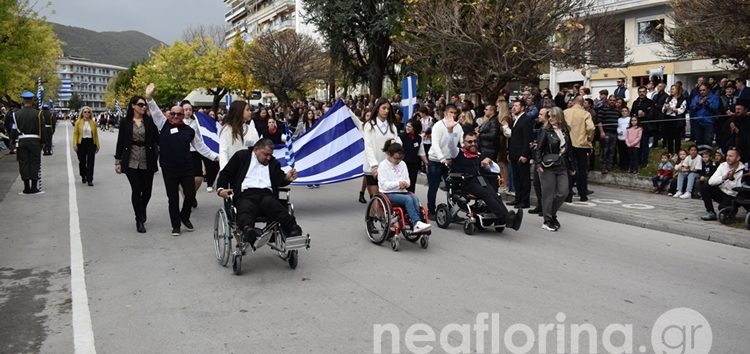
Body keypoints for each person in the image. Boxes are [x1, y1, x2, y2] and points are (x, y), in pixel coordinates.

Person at [145, 84, 219, 236]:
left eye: (179, 114)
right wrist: (149, 97)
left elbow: (201, 147)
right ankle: (176, 225)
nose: (176, 116)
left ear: (183, 115)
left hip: (186, 167)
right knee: (172, 199)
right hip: (169, 168)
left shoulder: (189, 131)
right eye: (174, 114)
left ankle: (184, 217)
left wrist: (215, 157)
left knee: (190, 195)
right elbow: (154, 109)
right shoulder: (163, 124)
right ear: (169, 114)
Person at [216, 139, 303, 249]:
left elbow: (279, 179)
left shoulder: (273, 163)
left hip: (266, 195)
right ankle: (249, 231)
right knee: (246, 208)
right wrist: (220, 190)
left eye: (270, 155)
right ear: (256, 149)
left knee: (276, 207)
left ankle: (294, 229)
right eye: (266, 154)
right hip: (246, 194)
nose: (268, 158)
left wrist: (286, 178)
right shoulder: (241, 157)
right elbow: (225, 174)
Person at [447, 131, 523, 231]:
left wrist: (490, 162)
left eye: (475, 141)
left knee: (494, 194)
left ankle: (509, 220)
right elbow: (451, 145)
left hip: (481, 180)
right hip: (466, 182)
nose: (473, 144)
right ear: (463, 143)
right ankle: (505, 218)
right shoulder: (458, 153)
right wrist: (451, 131)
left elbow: (496, 170)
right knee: (486, 194)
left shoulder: (479, 155)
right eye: (469, 142)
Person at [114, 95, 160, 233]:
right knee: (136, 189)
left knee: (147, 191)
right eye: (140, 105)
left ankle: (142, 208)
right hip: (131, 159)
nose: (143, 107)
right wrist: (118, 161)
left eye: (144, 105)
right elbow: (120, 142)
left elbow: (157, 139)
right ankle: (139, 219)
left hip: (147, 159)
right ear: (133, 106)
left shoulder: (149, 121)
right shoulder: (125, 122)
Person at [534, 107, 575, 231]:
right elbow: (538, 149)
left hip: (562, 166)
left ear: (559, 117)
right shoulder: (545, 131)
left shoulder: (565, 130)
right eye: (549, 116)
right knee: (548, 195)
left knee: (564, 192)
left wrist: (572, 167)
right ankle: (547, 221)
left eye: (553, 116)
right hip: (547, 167)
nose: (550, 119)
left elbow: (569, 150)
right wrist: (538, 164)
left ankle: (550, 214)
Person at [377, 140, 431, 233]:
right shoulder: (383, 166)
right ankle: (416, 223)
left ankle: (417, 222)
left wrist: (405, 184)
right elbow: (384, 185)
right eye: (396, 158)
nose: (398, 161)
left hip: (402, 191)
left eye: (400, 159)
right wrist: (398, 184)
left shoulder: (403, 164)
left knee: (414, 198)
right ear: (389, 155)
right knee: (408, 199)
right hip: (388, 193)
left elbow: (408, 180)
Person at [426, 104, 463, 218]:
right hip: (436, 160)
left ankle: (453, 211)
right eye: (451, 112)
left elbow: (461, 142)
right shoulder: (438, 126)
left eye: (455, 113)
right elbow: (435, 144)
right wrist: (442, 159)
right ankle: (431, 211)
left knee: (452, 188)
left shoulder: (458, 127)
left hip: (450, 161)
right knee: (434, 186)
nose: (453, 115)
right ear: (446, 113)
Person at [362, 98, 402, 198]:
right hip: (372, 167)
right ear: (377, 109)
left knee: (385, 198)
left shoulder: (392, 126)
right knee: (375, 197)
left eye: (388, 109)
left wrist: (396, 142)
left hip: (387, 167)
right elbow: (368, 146)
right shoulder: (369, 125)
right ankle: (373, 214)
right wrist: (374, 166)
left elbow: (398, 142)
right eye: (383, 108)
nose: (386, 111)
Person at [13, 91, 46, 194]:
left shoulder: (16, 114)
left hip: (21, 141)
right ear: (32, 101)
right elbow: (42, 129)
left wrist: (13, 142)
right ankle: (34, 187)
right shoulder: (38, 113)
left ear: (23, 101)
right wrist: (43, 142)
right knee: (35, 163)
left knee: (24, 163)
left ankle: (26, 187)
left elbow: (14, 130)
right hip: (35, 141)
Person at [700, 148, 745, 221]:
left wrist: (731, 178)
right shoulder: (723, 165)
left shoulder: (743, 170)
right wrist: (724, 177)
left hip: (733, 196)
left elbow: (737, 190)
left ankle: (731, 209)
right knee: (705, 186)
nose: (727, 158)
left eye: (731, 156)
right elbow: (711, 181)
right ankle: (710, 212)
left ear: (738, 158)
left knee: (722, 208)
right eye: (727, 155)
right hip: (721, 191)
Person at [564, 96, 595, 201]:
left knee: (569, 169)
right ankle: (582, 194)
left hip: (568, 144)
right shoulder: (586, 114)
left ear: (573, 102)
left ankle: (568, 195)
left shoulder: (565, 112)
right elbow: (591, 128)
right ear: (582, 103)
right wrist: (589, 139)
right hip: (581, 144)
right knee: (582, 170)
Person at [508, 99, 534, 208]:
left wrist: (524, 154)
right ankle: (518, 198)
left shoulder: (526, 119)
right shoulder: (516, 119)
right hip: (514, 153)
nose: (514, 107)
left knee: (524, 178)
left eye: (517, 106)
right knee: (516, 178)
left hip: (521, 154)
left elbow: (527, 138)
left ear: (522, 108)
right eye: (513, 105)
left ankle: (524, 201)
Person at [219, 100, 259, 171]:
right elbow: (223, 152)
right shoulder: (227, 129)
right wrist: (225, 171)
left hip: (248, 171)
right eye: (247, 110)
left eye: (250, 110)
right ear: (239, 111)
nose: (250, 112)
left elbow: (257, 150)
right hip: (232, 171)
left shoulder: (252, 129)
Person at [398, 119, 428, 193]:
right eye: (407, 126)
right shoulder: (401, 137)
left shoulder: (419, 138)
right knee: (402, 183)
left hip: (414, 165)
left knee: (411, 183)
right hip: (402, 164)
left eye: (409, 127)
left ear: (415, 128)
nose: (407, 128)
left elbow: (421, 152)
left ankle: (411, 199)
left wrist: (427, 163)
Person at [73, 106, 100, 186]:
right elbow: (75, 134)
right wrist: (75, 144)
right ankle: (83, 175)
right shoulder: (78, 122)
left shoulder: (93, 123)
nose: (87, 113)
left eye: (88, 112)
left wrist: (97, 145)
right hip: (81, 143)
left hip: (91, 143)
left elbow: (95, 135)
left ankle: (90, 179)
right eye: (85, 112)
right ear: (82, 113)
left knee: (91, 161)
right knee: (82, 161)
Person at [662, 84, 688, 155]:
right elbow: (663, 109)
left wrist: (673, 109)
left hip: (677, 120)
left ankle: (677, 153)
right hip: (668, 119)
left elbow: (682, 110)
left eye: (673, 89)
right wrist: (665, 108)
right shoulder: (668, 98)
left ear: (678, 90)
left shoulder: (682, 99)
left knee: (677, 138)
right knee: (669, 137)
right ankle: (670, 152)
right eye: (671, 89)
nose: (671, 90)